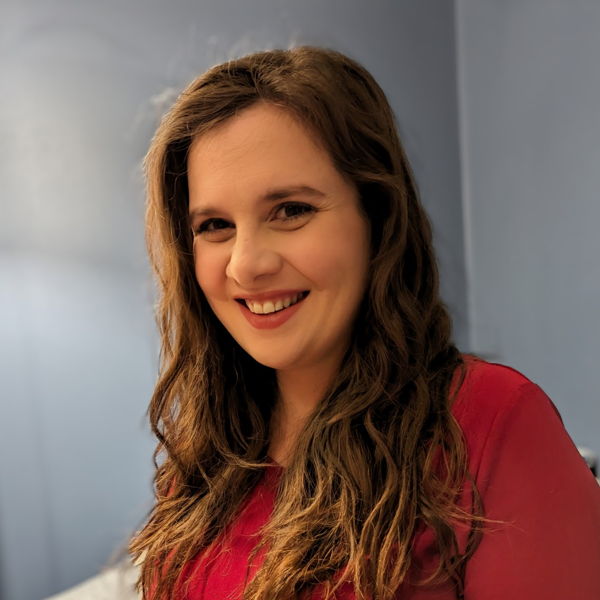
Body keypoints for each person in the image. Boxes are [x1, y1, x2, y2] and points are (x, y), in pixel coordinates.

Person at [129, 47, 600, 600]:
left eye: (291, 210)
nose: (246, 265)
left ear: (377, 216)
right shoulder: (203, 458)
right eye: (214, 225)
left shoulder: (494, 422)